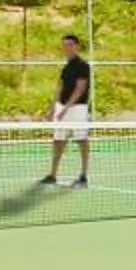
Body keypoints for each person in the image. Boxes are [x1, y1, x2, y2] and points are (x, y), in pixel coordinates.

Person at [42, 32, 92, 188]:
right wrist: (53, 108)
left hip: (78, 108)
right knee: (58, 141)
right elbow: (60, 87)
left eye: (70, 44)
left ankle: (83, 175)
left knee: (81, 140)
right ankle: (53, 175)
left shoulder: (83, 66)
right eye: (64, 45)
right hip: (63, 107)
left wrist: (67, 108)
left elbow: (80, 89)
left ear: (76, 46)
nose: (67, 47)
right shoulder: (66, 67)